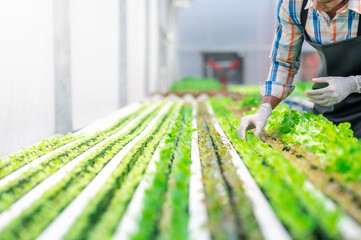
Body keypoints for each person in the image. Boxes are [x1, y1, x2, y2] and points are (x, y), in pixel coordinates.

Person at [238, 0, 361, 140]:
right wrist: (264, 109)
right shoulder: (294, 4)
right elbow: (284, 62)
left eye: (325, 1)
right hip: (328, 106)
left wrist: (354, 84)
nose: (316, 7)